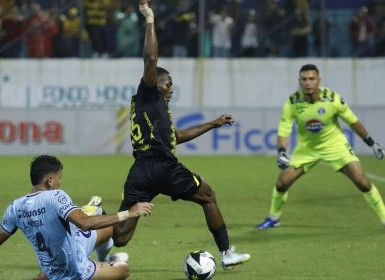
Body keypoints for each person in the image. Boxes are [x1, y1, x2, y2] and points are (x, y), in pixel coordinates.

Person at [112, 0, 250, 270]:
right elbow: (151, 59)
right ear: (156, 82)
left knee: (121, 237)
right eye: (168, 84)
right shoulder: (149, 92)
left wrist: (212, 123)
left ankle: (94, 223)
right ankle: (226, 254)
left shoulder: (153, 109)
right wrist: (149, 19)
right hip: (163, 167)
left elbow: (176, 136)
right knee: (208, 196)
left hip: (141, 171)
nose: (171, 89)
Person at [0, 155, 153, 280]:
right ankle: (101, 261)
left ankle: (100, 249)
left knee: (106, 228)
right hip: (76, 270)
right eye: (59, 177)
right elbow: (85, 224)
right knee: (123, 269)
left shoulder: (16, 207)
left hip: (58, 260)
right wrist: (129, 212)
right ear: (50, 180)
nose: (60, 181)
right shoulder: (56, 196)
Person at [256, 64, 385, 229]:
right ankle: (274, 218)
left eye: (311, 79)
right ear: (299, 81)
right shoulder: (292, 103)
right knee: (282, 183)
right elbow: (284, 130)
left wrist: (371, 143)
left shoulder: (333, 99)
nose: (308, 83)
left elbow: (353, 122)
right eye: (304, 79)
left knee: (362, 182)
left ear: (319, 80)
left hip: (335, 146)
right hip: (306, 149)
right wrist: (281, 152)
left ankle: (384, 217)